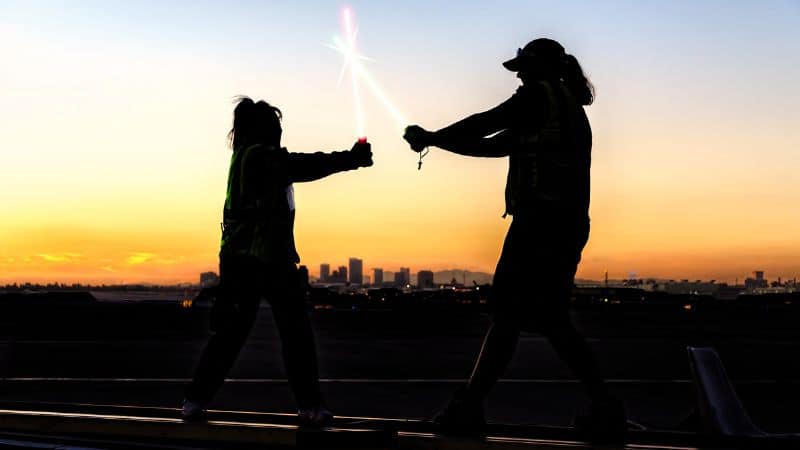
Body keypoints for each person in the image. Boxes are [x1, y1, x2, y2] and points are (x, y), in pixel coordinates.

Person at [403, 38, 625, 442]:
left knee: (509, 316)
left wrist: (431, 135)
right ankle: (605, 406)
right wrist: (438, 141)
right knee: (552, 321)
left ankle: (469, 407)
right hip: (567, 223)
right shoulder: (565, 109)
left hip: (540, 222)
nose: (518, 77)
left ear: (540, 68)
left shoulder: (539, 97)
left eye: (523, 68)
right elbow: (493, 146)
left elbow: (484, 124)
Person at [183, 97, 373, 426]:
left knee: (234, 334)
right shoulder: (260, 156)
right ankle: (310, 406)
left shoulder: (244, 157)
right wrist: (350, 160)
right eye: (277, 126)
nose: (282, 132)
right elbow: (303, 165)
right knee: (293, 334)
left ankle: (195, 401)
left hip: (246, 259)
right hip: (260, 260)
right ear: (265, 129)